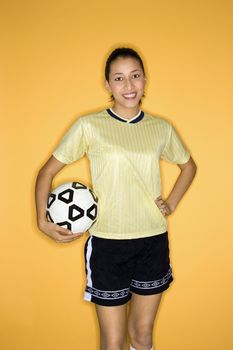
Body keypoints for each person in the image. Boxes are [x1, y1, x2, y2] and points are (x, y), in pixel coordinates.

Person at [35, 47, 197, 350]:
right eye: (119, 78)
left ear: (145, 80)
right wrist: (42, 222)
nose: (128, 86)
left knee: (143, 335)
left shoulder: (160, 128)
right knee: (112, 342)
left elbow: (188, 166)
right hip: (108, 245)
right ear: (108, 85)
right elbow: (46, 173)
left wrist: (171, 203)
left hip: (152, 241)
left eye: (135, 76)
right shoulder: (89, 125)